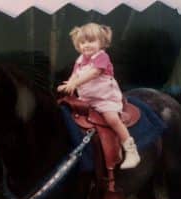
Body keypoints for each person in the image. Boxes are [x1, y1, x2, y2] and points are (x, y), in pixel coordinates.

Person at [57, 22, 140, 169]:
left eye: (91, 41)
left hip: (105, 98)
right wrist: (68, 84)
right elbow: (74, 75)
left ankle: (130, 149)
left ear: (101, 42)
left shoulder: (102, 57)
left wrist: (75, 84)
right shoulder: (80, 60)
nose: (86, 45)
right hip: (87, 99)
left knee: (112, 118)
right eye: (82, 42)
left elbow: (94, 73)